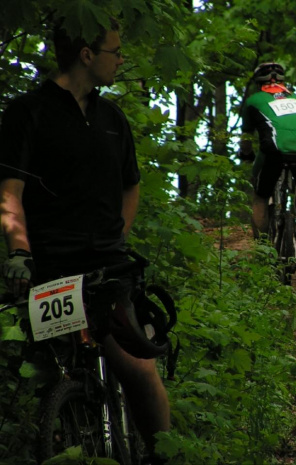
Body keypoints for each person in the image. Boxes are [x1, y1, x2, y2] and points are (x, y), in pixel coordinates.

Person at [0, 18, 169, 463]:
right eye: (115, 51)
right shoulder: (27, 113)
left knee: (136, 367)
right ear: (87, 55)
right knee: (55, 372)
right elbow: (9, 192)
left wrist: (119, 234)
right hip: (51, 264)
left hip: (108, 265)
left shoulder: (112, 118)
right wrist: (19, 251)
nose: (122, 59)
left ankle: (164, 455)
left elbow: (131, 185)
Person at [239, 62, 296, 253]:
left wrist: (246, 154)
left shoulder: (253, 101)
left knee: (260, 196)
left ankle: (261, 246)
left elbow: (246, 138)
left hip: (273, 152)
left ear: (258, 81)